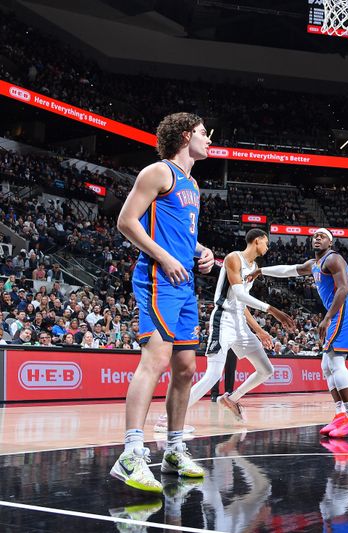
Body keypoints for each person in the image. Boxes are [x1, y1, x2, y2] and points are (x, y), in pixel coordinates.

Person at [110, 112, 213, 493]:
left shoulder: (194, 185)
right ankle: (132, 453)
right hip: (158, 278)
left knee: (186, 367)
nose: (209, 140)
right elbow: (127, 221)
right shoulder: (158, 172)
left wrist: (202, 252)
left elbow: (184, 235)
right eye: (204, 133)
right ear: (186, 135)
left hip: (183, 282)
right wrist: (165, 258)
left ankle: (173, 448)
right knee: (154, 360)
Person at [153, 228, 295, 432]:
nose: (268, 246)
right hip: (224, 319)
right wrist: (272, 310)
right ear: (257, 241)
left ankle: (231, 399)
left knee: (266, 370)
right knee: (212, 375)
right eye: (266, 242)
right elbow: (237, 293)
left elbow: (242, 302)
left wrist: (259, 331)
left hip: (241, 324)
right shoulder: (233, 258)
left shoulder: (254, 266)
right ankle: (169, 419)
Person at [248, 228, 348, 438]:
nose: (317, 238)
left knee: (336, 362)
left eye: (322, 237)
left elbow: (343, 289)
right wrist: (261, 271)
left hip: (345, 311)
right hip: (338, 312)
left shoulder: (334, 259)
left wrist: (328, 317)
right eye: (315, 236)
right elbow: (288, 270)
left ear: (330, 243)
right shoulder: (313, 265)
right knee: (326, 365)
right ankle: (341, 414)